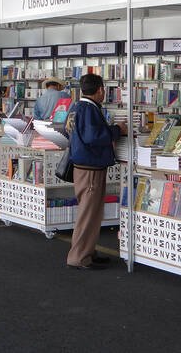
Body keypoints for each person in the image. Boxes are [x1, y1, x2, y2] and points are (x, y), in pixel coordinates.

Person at [65, 74, 127, 270]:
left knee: (92, 213)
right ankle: (79, 257)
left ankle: (88, 252)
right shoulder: (89, 109)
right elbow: (94, 137)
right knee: (88, 214)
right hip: (90, 168)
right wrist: (117, 129)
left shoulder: (76, 107)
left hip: (84, 166)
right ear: (100, 89)